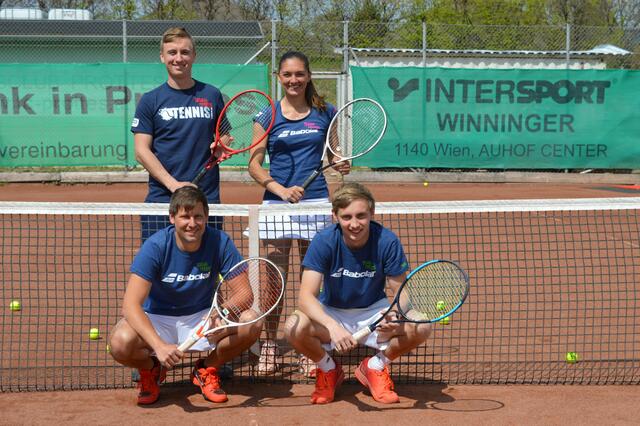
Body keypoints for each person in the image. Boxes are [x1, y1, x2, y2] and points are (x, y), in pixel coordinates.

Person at [108, 186, 262, 405]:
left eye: (198, 216)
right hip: (157, 318)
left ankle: (206, 368)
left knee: (253, 322)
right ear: (172, 218)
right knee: (119, 343)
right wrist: (159, 346)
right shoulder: (155, 246)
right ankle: (151, 369)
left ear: (206, 217)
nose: (192, 223)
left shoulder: (220, 242)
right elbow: (131, 305)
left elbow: (245, 293)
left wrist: (220, 312)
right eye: (185, 216)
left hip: (202, 317)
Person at [248, 51, 350, 376]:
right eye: (287, 75)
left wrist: (341, 163)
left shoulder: (325, 112)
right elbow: (253, 164)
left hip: (317, 204)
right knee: (273, 281)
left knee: (313, 283)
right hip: (277, 206)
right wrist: (280, 190)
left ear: (308, 76)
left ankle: (309, 343)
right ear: (279, 77)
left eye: (299, 74)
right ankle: (269, 345)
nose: (294, 80)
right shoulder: (267, 116)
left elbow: (334, 156)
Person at [283, 182, 433, 404]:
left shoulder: (387, 241)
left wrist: (397, 314)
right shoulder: (323, 241)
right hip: (332, 313)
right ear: (335, 216)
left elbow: (402, 293)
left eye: (361, 216)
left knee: (422, 325)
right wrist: (333, 327)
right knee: (293, 326)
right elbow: (305, 297)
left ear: (372, 212)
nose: (354, 224)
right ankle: (328, 369)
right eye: (346, 217)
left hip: (374, 312)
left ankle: (375, 366)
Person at [131, 27, 226, 240]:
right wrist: (174, 186)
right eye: (172, 52)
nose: (178, 58)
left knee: (206, 267)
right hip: (162, 200)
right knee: (157, 267)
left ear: (194, 56)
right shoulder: (150, 100)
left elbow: (224, 135)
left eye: (185, 52)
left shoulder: (212, 95)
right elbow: (141, 151)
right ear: (162, 57)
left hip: (205, 199)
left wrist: (221, 146)